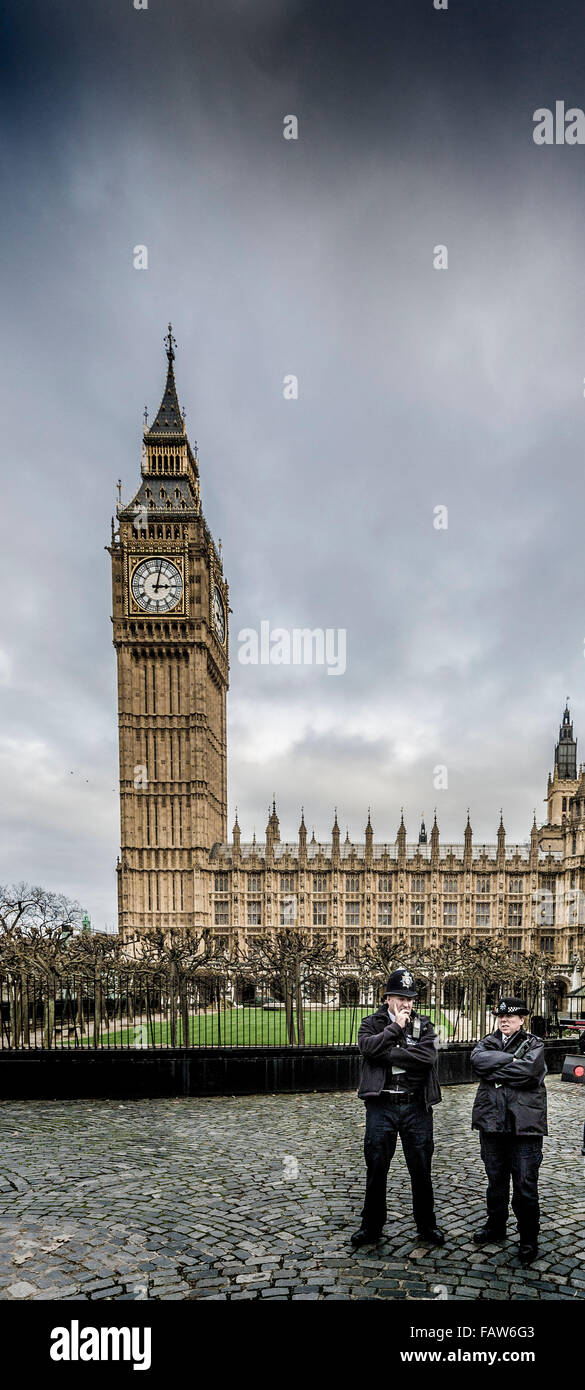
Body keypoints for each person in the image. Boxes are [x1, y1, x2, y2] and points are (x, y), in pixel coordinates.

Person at [351, 968, 444, 1249]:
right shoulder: (372, 1023)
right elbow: (367, 1048)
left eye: (411, 999)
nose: (407, 1004)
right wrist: (394, 1030)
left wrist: (387, 1053)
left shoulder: (426, 1026)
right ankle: (371, 1226)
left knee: (421, 1168)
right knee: (377, 1167)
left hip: (416, 1106)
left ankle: (427, 1225)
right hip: (382, 1106)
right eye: (401, 998)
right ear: (388, 998)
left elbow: (428, 1057)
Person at [470, 997, 547, 1266]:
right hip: (492, 1123)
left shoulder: (535, 1044)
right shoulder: (487, 1042)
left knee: (525, 1185)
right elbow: (478, 1062)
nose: (504, 1021)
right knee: (496, 1181)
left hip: (524, 1126)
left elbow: (529, 1073)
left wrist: (497, 1071)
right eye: (501, 1017)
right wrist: (512, 1059)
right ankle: (496, 1226)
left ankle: (528, 1238)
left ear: (522, 1019)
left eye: (511, 1017)